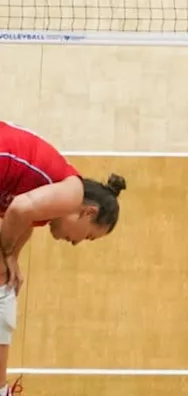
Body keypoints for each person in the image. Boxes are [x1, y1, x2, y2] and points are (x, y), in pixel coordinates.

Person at [0, 120, 127, 394]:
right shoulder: (72, 193)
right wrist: (8, 254)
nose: (77, 243)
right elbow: (19, 210)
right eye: (89, 236)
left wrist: (14, 257)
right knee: (2, 281)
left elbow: (23, 222)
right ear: (87, 212)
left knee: (4, 280)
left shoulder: (48, 203)